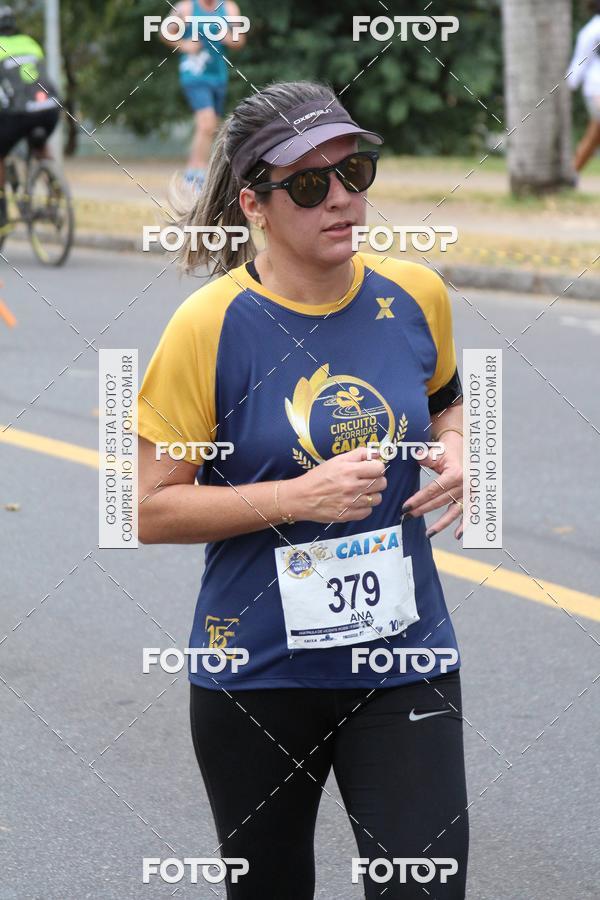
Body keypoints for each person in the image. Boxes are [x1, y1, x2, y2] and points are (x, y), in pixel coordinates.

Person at [136, 80, 469, 899]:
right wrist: (296, 497)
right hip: (258, 672)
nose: (344, 199)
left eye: (355, 172)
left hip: (404, 658)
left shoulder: (415, 295)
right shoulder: (209, 326)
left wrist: (465, 450)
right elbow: (144, 507)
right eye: (312, 185)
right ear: (254, 204)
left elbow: (449, 401)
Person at [162, 0, 246, 189]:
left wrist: (227, 37)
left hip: (218, 76)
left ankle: (192, 171)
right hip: (194, 73)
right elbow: (165, 32)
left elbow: (240, 40)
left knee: (210, 126)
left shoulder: (229, 8)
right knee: (206, 123)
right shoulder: (186, 7)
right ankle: (196, 175)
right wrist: (184, 45)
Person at [0, 5, 60, 231]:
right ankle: (56, 187)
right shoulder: (30, 43)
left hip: (18, 113)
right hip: (49, 108)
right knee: (39, 143)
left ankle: (1, 212)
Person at [567, 0, 600, 172]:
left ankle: (571, 173)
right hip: (596, 89)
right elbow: (579, 62)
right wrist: (569, 88)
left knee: (594, 137)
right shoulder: (592, 31)